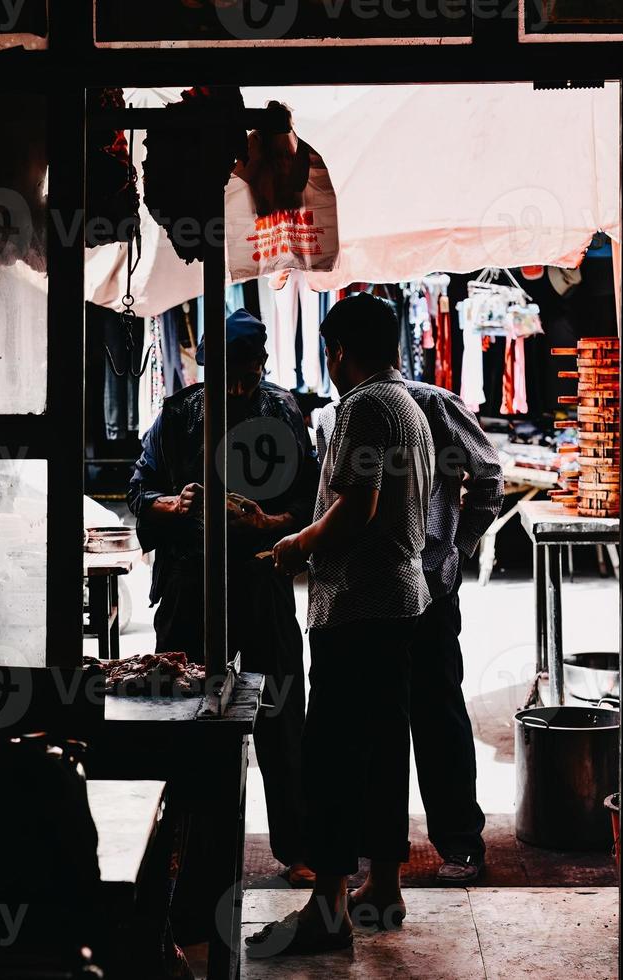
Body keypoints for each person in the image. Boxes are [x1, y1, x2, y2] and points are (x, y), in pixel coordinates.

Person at [249, 293, 435, 957]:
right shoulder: (410, 405)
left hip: (357, 605)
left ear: (336, 350)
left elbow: (358, 507)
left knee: (330, 757)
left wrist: (294, 548)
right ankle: (383, 888)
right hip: (402, 600)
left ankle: (327, 906)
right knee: (384, 750)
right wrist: (292, 528)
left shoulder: (362, 407)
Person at [127, 308, 320, 884]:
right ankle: (180, 853)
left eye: (247, 373)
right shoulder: (178, 415)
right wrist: (173, 504)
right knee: (183, 716)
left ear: (262, 365)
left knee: (283, 717)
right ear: (204, 367)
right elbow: (141, 488)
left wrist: (270, 521)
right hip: (190, 584)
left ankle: (298, 848)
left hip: (262, 581)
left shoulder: (284, 411)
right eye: (224, 375)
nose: (236, 386)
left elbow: (311, 504)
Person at [315, 356, 505, 885]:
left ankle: (460, 843)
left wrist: (455, 548)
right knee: (374, 724)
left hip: (430, 587)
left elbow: (488, 478)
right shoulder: (336, 416)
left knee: (437, 710)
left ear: (340, 353)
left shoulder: (436, 403)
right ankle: (373, 857)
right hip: (371, 598)